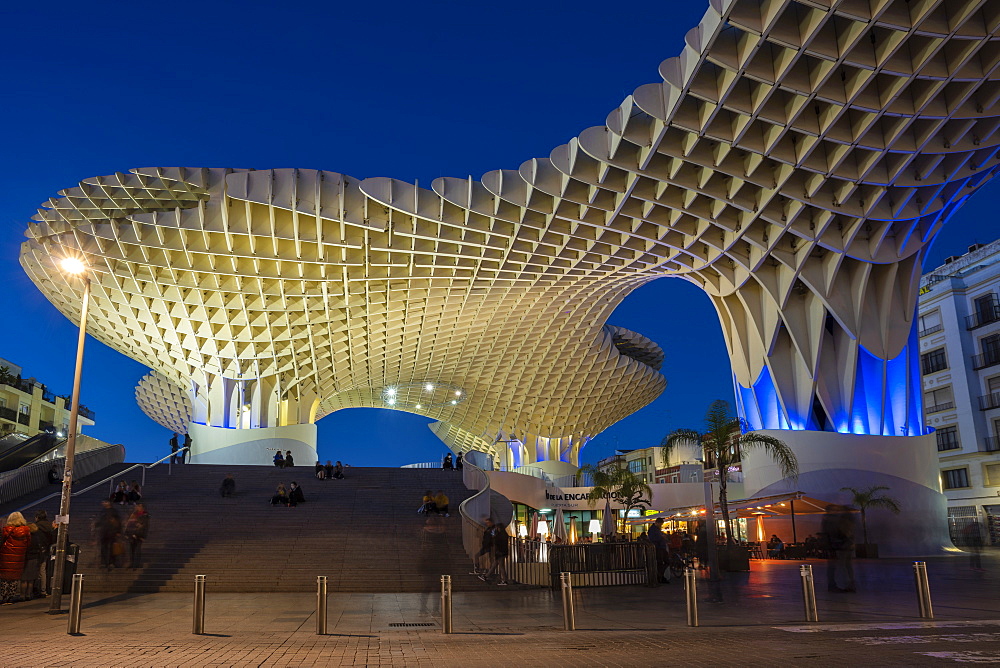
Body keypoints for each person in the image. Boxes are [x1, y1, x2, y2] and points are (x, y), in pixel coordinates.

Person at [822, 504, 856, 592]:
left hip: (838, 546)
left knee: (837, 567)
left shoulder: (829, 519)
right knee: (839, 566)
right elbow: (834, 534)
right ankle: (841, 585)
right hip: (838, 546)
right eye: (835, 509)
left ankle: (839, 585)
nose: (837, 511)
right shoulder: (831, 520)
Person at [1, 512, 31, 604]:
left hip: (5, 556)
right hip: (19, 557)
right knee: (14, 578)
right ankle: (11, 597)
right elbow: (28, 544)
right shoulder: (26, 531)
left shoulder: (6, 530)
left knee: (4, 578)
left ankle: (3, 596)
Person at [31, 511, 55, 596]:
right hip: (46, 550)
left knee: (35, 570)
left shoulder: (36, 526)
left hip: (37, 550)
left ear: (37, 517)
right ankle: (43, 590)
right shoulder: (49, 526)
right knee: (43, 570)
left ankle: (35, 589)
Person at [95, 500, 123, 570]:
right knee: (103, 548)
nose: (103, 503)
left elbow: (118, 522)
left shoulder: (114, 511)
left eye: (105, 502)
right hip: (104, 532)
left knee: (111, 548)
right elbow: (101, 521)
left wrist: (118, 531)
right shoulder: (103, 511)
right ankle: (104, 562)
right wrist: (97, 524)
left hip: (112, 532)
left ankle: (111, 562)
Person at [124, 503, 150, 569]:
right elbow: (128, 524)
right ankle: (131, 563)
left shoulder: (145, 515)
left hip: (139, 535)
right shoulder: (133, 514)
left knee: (137, 550)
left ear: (143, 507)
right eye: (137, 506)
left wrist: (143, 536)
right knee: (131, 550)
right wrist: (126, 533)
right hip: (131, 535)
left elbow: (145, 527)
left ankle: (136, 564)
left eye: (139, 506)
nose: (137, 507)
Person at [648, 518, 670, 583]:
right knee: (661, 562)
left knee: (664, 562)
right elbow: (653, 538)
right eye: (660, 524)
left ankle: (660, 576)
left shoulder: (656, 529)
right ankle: (660, 577)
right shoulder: (653, 530)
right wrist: (662, 537)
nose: (661, 525)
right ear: (657, 523)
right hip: (658, 547)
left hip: (661, 547)